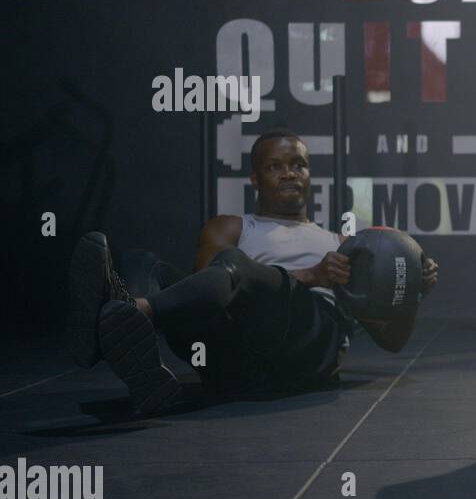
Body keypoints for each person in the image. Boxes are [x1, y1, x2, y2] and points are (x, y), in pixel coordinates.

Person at [64, 129, 439, 415]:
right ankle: (143, 369)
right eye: (275, 166)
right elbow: (202, 303)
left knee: (236, 265)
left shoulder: (344, 244)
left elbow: (392, 343)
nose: (289, 173)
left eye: (298, 166)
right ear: (256, 180)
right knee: (143, 263)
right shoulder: (229, 227)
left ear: (309, 176)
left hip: (306, 352)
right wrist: (310, 272)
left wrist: (413, 292)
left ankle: (125, 317)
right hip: (237, 360)